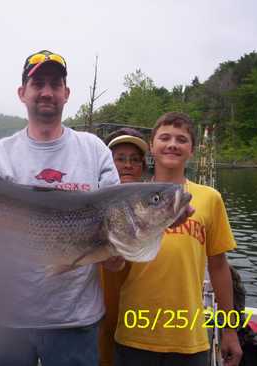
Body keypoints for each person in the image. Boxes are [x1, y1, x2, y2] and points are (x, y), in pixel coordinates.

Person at [0, 49, 121, 366]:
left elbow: (115, 242)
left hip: (75, 323)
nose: (46, 92)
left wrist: (120, 251)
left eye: (55, 84)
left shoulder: (94, 151)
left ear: (66, 94)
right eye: (37, 83)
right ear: (22, 93)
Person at [114, 112, 243, 366]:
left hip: (189, 335)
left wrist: (230, 330)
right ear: (152, 146)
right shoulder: (129, 198)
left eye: (181, 139)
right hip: (134, 331)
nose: (172, 144)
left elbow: (218, 267)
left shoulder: (209, 198)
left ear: (192, 150)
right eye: (164, 137)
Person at [98, 127, 149, 366]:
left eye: (135, 160)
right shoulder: (91, 203)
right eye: (119, 159)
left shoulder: (158, 212)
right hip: (97, 318)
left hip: (139, 324)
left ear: (144, 167)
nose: (127, 165)